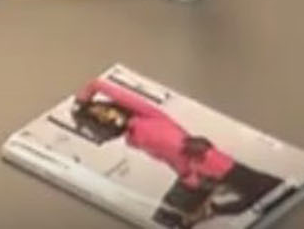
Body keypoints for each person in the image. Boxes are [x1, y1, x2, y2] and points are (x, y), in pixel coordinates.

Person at [72, 78, 281, 228]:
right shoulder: (133, 140)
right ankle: (211, 207)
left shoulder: (146, 116)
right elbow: (171, 158)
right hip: (192, 176)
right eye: (100, 119)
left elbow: (100, 85)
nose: (108, 117)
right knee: (163, 219)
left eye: (105, 110)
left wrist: (82, 100)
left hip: (212, 163)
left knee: (267, 188)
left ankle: (214, 207)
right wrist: (189, 177)